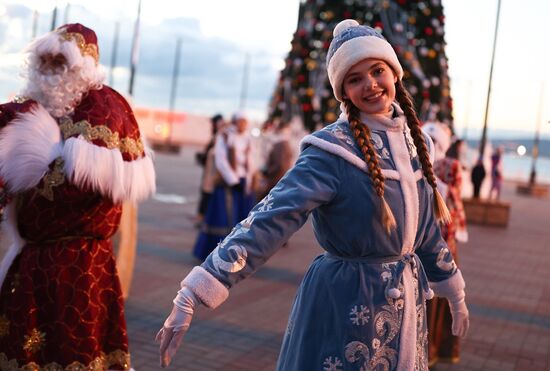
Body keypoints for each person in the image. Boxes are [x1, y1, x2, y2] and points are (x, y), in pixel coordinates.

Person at [157, 20, 469, 370]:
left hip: (407, 310)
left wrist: (453, 290)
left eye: (377, 70)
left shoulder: (418, 145)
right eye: (354, 78)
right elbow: (271, 218)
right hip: (346, 303)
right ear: (343, 91)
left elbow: (425, 232)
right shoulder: (331, 150)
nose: (369, 84)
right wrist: (197, 290)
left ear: (394, 73)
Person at [0, 24, 155, 369]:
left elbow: (84, 190)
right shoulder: (25, 108)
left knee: (75, 352)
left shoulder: (107, 108)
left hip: (81, 266)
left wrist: (42, 155)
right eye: (45, 59)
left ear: (83, 65)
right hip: (29, 262)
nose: (51, 67)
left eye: (60, 60)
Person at [423, 125, 469, 366]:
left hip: (427, 245)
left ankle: (427, 350)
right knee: (436, 303)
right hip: (442, 242)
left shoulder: (421, 162)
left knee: (429, 301)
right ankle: (433, 350)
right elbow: (456, 202)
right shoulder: (450, 167)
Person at [192, 111, 255, 261]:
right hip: (227, 184)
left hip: (243, 184)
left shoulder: (248, 139)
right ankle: (217, 253)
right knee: (223, 218)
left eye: (245, 122)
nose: (243, 125)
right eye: (241, 121)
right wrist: (233, 181)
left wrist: (249, 180)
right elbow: (221, 161)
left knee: (243, 220)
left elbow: (251, 160)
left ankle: (238, 253)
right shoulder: (225, 136)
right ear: (235, 121)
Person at [194, 113, 225, 226]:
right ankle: (202, 218)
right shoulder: (216, 136)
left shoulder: (220, 138)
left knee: (208, 196)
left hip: (213, 174)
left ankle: (204, 218)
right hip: (208, 172)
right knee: (205, 195)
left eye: (213, 123)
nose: (212, 125)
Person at [255, 120, 296, 201]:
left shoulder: (280, 143)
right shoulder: (283, 143)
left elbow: (279, 165)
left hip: (277, 180)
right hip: (282, 180)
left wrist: (267, 173)